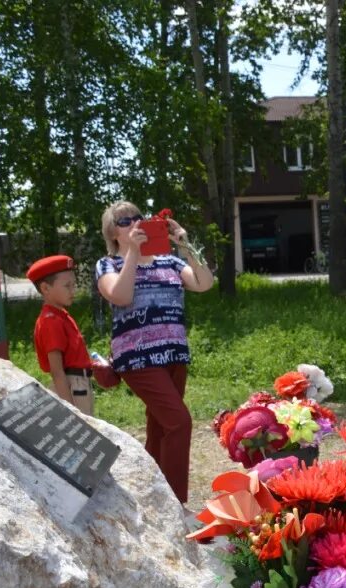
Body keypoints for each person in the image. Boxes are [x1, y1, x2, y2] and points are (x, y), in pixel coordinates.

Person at [96, 201, 214, 504]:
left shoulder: (169, 262)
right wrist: (134, 254)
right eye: (124, 222)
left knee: (160, 427)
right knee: (179, 422)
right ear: (113, 233)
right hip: (137, 358)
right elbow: (120, 296)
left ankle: (150, 497)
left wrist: (185, 245)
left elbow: (204, 284)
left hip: (174, 356)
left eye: (138, 217)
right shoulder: (108, 265)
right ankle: (176, 503)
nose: (134, 223)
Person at [30, 255, 95, 416]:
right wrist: (69, 409)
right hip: (72, 387)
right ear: (45, 288)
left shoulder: (60, 315)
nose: (73, 290)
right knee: (81, 435)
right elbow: (57, 370)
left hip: (79, 384)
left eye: (74, 284)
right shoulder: (51, 321)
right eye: (67, 286)